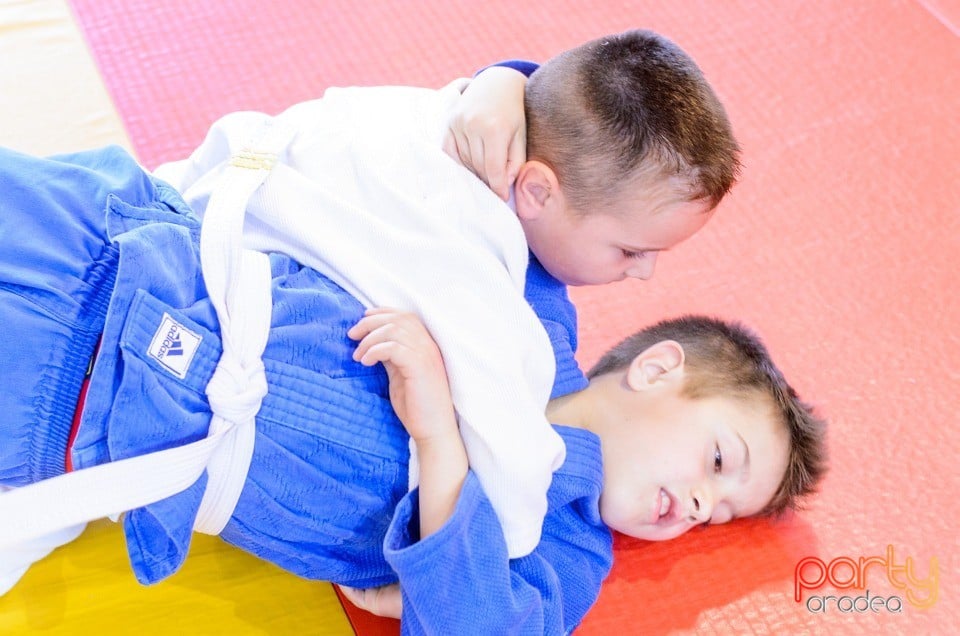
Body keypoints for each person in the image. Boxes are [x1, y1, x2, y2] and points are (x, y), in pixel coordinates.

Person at [0, 142, 825, 633]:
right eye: (720, 461)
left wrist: (441, 448)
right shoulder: (533, 307)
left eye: (720, 514)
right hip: (114, 234)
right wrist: (503, 82)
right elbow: (532, 140)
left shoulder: (563, 552)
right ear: (658, 368)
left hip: (80, 424)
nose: (697, 508)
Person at [148, 28, 741, 558]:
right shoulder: (483, 280)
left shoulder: (464, 114)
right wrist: (513, 530)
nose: (644, 274)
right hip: (199, 297)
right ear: (534, 192)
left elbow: (566, 94)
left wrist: (504, 77)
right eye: (631, 251)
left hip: (178, 196)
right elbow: (510, 469)